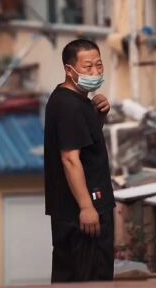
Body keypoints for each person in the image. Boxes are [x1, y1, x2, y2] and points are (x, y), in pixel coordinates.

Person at [44, 39, 115, 283]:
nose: (95, 72)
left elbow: (84, 144)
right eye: (87, 67)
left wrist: (98, 117)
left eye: (99, 65)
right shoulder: (68, 105)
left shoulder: (76, 101)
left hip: (83, 211)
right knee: (88, 278)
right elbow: (70, 159)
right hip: (83, 215)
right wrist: (86, 207)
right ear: (69, 69)